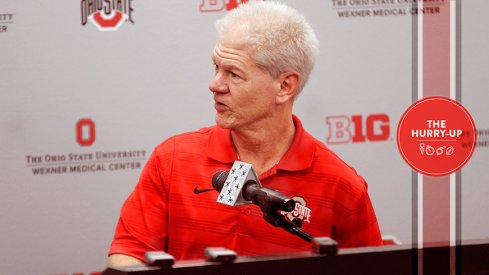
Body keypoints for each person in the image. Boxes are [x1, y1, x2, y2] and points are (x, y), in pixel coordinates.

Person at [108, 1, 382, 267]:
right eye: (217, 68)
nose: (215, 85)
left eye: (234, 74)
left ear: (285, 85)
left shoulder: (341, 185)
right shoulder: (171, 159)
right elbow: (129, 254)